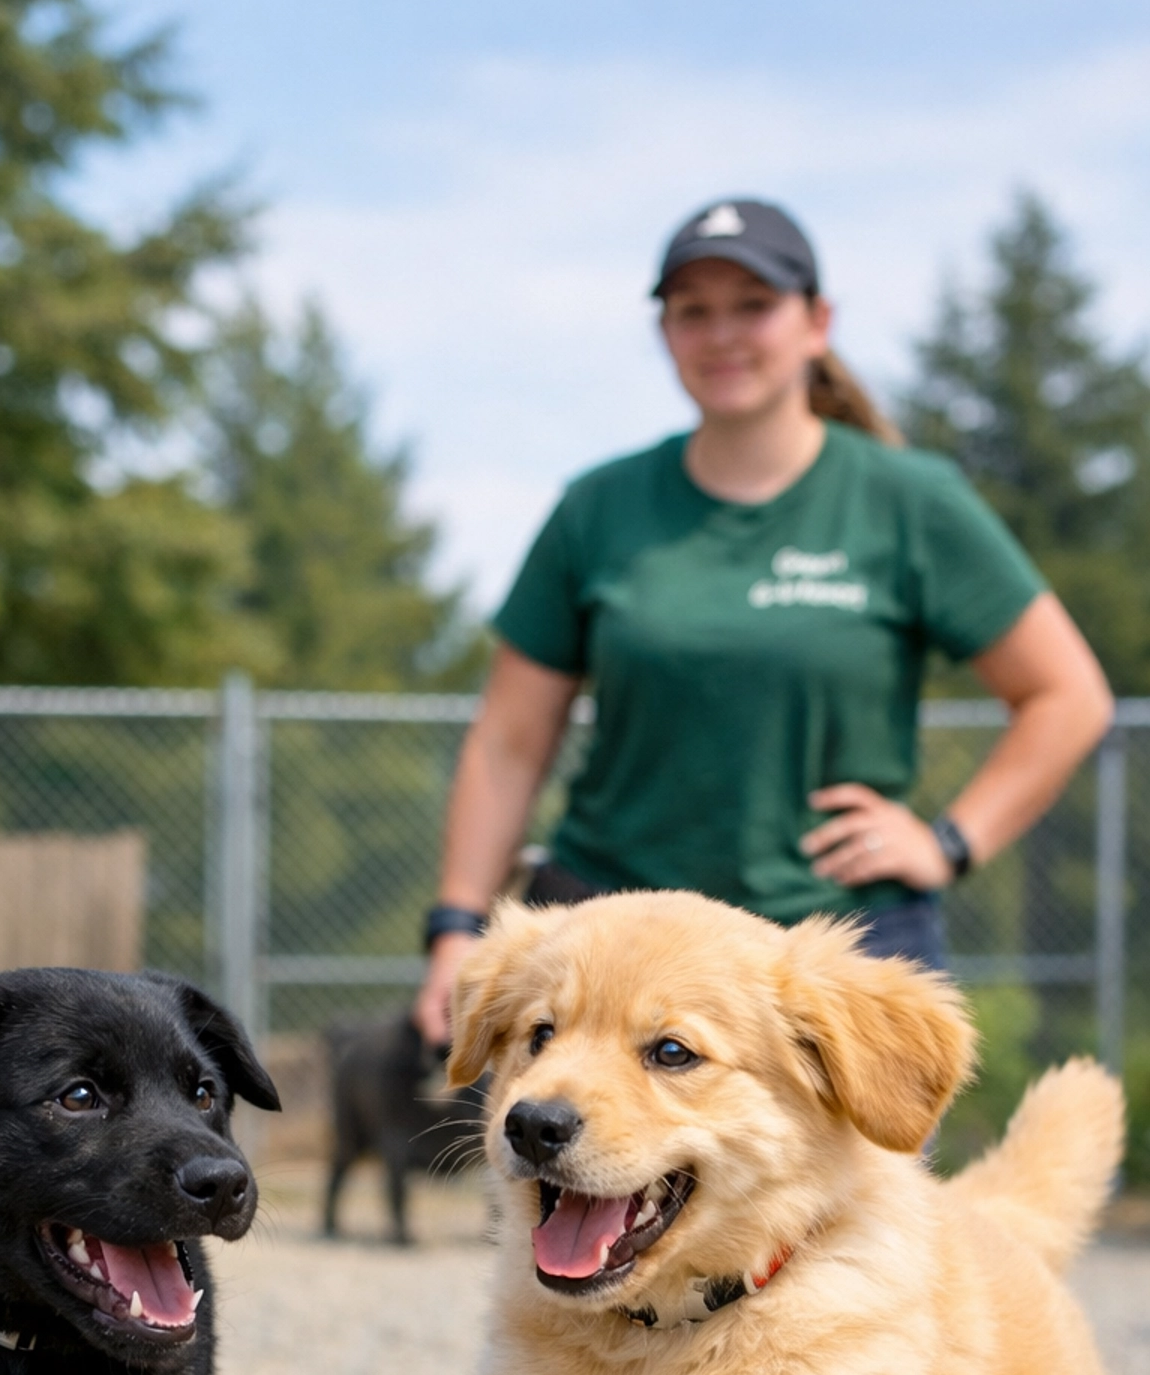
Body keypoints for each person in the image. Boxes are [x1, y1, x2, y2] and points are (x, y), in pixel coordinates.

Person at [415, 198, 1113, 1047]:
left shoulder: (909, 501)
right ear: (665, 333)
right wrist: (457, 927)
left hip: (829, 958)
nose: (722, 334)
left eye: (754, 305)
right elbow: (507, 742)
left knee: (869, 1187)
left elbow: (1067, 695)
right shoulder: (598, 508)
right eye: (692, 311)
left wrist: (948, 843)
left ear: (817, 323)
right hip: (604, 952)